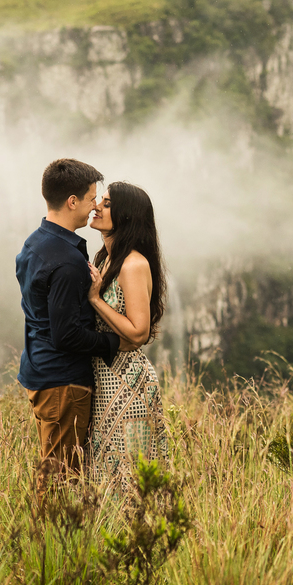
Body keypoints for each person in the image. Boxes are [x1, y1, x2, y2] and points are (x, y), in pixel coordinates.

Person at [16, 159, 134, 487]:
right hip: (62, 380)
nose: (95, 205)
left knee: (54, 467)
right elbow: (67, 334)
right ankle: (50, 537)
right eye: (91, 198)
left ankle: (52, 534)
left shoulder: (34, 244)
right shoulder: (67, 262)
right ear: (72, 202)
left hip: (40, 369)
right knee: (60, 478)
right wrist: (116, 343)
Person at [86, 181, 170, 490]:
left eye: (107, 204)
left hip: (127, 382)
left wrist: (95, 300)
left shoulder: (134, 264)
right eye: (100, 201)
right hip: (103, 377)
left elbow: (138, 332)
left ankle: (137, 537)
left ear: (126, 216)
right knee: (103, 470)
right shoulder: (105, 259)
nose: (97, 206)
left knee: (129, 473)